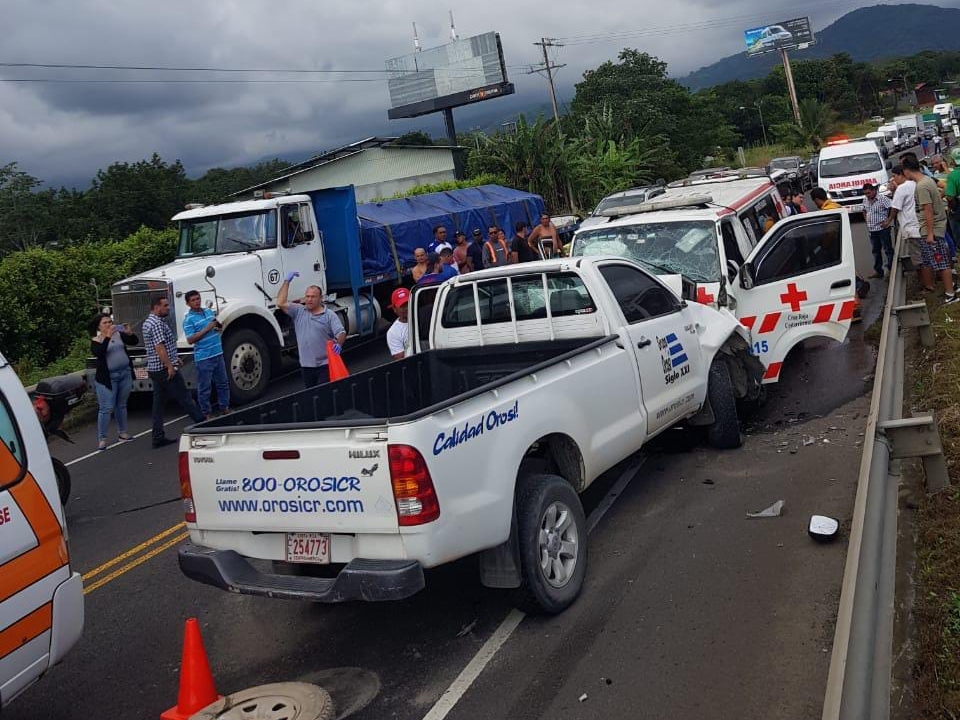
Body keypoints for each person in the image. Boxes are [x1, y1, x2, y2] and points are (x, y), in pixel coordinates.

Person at [142, 295, 205, 448]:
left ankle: (157, 437)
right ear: (156, 307)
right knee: (185, 397)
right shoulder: (156, 324)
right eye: (165, 305)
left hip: (155, 369)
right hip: (164, 370)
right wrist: (170, 366)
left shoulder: (147, 322)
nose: (168, 308)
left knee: (158, 405)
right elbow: (159, 347)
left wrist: (174, 359)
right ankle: (204, 426)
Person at [901, 153, 957, 303]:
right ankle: (951, 287)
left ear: (907, 170)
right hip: (934, 228)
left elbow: (928, 210)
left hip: (932, 230)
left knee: (941, 262)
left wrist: (930, 233)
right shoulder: (928, 180)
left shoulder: (922, 186)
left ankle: (950, 294)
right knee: (940, 260)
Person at [278, 272, 347, 388]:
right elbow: (280, 303)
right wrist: (286, 282)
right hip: (306, 366)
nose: (309, 299)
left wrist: (339, 344)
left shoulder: (329, 315)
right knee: (312, 397)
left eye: (313, 296)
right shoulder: (298, 311)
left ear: (320, 298)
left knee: (322, 395)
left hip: (325, 365)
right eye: (307, 296)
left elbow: (341, 332)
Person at [89, 313, 137, 450]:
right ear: (99, 326)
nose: (109, 325)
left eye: (110, 322)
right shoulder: (97, 340)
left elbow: (134, 341)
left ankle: (123, 433)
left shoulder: (118, 335)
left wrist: (129, 333)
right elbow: (99, 352)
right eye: (105, 323)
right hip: (108, 378)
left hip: (124, 373)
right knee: (106, 408)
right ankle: (102, 438)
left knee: (121, 404)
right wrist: (108, 336)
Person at [182, 290, 230, 419]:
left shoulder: (209, 312)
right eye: (193, 300)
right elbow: (190, 339)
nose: (197, 301)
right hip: (204, 357)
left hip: (217, 352)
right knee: (204, 387)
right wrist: (207, 328)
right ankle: (206, 413)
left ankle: (224, 407)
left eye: (198, 298)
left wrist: (218, 327)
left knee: (223, 383)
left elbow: (217, 327)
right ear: (188, 303)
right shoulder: (188, 320)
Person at [885, 164, 923, 275]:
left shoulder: (902, 188)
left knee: (919, 261)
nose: (893, 179)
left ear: (900, 175)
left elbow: (895, 207)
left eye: (894, 176)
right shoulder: (915, 183)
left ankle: (927, 286)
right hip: (920, 224)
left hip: (911, 228)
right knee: (926, 256)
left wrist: (888, 221)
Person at [860, 183, 894, 279]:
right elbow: (864, 210)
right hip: (872, 230)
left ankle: (892, 269)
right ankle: (878, 271)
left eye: (869, 193)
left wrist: (888, 221)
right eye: (865, 193)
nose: (867, 195)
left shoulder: (883, 199)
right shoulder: (865, 200)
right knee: (875, 251)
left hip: (882, 229)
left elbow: (892, 208)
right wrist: (866, 220)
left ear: (874, 190)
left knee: (887, 249)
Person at [386, 287, 410, 360]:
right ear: (394, 309)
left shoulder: (424, 316)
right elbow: (401, 360)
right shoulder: (393, 333)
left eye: (407, 303)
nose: (406, 308)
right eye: (402, 306)